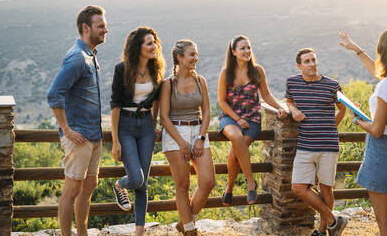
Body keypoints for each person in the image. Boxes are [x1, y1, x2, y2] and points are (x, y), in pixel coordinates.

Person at [339, 29, 387, 236]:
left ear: (385, 51)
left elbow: (376, 129)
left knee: (385, 225)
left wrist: (357, 119)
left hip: (382, 153)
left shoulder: (386, 87)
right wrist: (356, 49)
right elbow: (379, 73)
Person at [46, 5, 109, 236]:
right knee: (72, 190)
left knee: (89, 185)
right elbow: (54, 94)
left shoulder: (90, 56)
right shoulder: (77, 58)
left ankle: (81, 231)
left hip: (93, 135)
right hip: (79, 136)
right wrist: (66, 129)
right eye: (100, 26)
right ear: (86, 27)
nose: (106, 29)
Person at [285, 48, 348, 236]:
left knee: (326, 188)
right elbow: (288, 100)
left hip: (328, 146)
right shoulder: (292, 82)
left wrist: (330, 126)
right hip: (305, 145)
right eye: (307, 61)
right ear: (299, 66)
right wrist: (292, 109)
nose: (312, 63)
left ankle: (322, 231)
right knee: (298, 188)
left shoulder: (332, 85)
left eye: (314, 60)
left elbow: (342, 109)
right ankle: (334, 220)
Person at [218, 35, 286, 206]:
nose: (247, 51)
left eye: (248, 47)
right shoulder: (226, 73)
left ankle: (229, 188)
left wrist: (279, 107)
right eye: (242, 48)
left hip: (253, 120)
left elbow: (266, 95)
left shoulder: (257, 71)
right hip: (230, 118)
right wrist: (237, 119)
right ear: (233, 52)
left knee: (234, 154)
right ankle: (250, 182)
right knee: (236, 138)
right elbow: (222, 101)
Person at [110, 27, 166, 236]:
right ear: (138, 47)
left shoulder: (156, 69)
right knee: (136, 178)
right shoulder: (121, 69)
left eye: (154, 43)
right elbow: (115, 106)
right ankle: (118, 184)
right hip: (125, 125)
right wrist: (115, 141)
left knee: (143, 184)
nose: (154, 47)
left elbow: (157, 99)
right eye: (149, 43)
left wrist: (154, 123)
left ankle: (139, 232)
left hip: (146, 128)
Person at [159, 39, 215, 236]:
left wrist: (201, 137)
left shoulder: (201, 81)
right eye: (192, 55)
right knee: (183, 185)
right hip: (175, 133)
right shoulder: (168, 84)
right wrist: (182, 143)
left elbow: (206, 111)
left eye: (196, 54)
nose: (196, 58)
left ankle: (185, 222)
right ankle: (190, 230)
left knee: (208, 182)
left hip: (198, 131)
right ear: (179, 57)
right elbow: (164, 117)